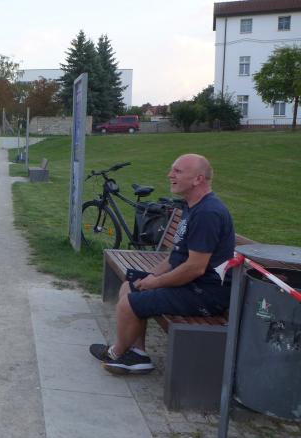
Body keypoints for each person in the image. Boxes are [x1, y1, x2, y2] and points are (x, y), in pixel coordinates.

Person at [89, 154, 234, 375]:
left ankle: (116, 353)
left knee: (128, 304)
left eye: (178, 171)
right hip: (191, 284)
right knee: (130, 286)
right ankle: (138, 354)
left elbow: (195, 268)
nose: (170, 175)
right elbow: (176, 257)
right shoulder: (192, 206)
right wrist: (150, 277)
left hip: (205, 293)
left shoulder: (208, 213)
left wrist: (155, 283)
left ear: (198, 179)